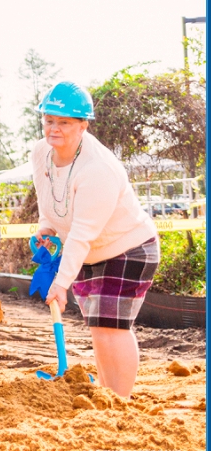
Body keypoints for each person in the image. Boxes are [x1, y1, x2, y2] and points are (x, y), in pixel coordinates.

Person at [30, 82, 159, 398]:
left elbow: (81, 235)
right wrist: (46, 229)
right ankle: (107, 394)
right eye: (49, 120)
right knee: (99, 328)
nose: (54, 129)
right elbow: (48, 202)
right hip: (89, 252)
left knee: (112, 328)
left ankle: (121, 400)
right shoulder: (40, 153)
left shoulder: (97, 168)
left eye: (64, 122)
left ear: (83, 125)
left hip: (128, 248)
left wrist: (60, 285)